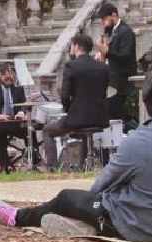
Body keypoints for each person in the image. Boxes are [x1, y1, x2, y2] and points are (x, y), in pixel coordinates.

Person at [0, 67, 152, 242]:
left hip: (143, 229)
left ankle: (17, 217)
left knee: (67, 198)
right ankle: (78, 224)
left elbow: (99, 186)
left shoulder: (140, 141)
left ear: (147, 103)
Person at [41, 33, 109, 168]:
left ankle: (52, 168)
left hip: (78, 118)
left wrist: (67, 110)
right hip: (100, 118)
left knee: (47, 131)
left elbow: (65, 95)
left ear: (76, 46)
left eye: (72, 45)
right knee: (85, 133)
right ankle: (82, 166)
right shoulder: (103, 67)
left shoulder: (71, 66)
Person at [0, 62, 34, 170]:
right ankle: (5, 167)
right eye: (7, 78)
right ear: (1, 75)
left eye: (12, 79)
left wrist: (22, 112)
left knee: (30, 130)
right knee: (0, 135)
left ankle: (33, 160)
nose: (10, 81)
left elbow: (24, 104)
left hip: (13, 122)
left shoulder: (18, 87)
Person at [93, 3, 137, 124]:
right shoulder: (112, 31)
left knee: (118, 119)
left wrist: (107, 52)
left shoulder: (125, 31)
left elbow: (125, 56)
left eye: (104, 19)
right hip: (113, 83)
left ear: (113, 15)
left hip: (123, 85)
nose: (103, 23)